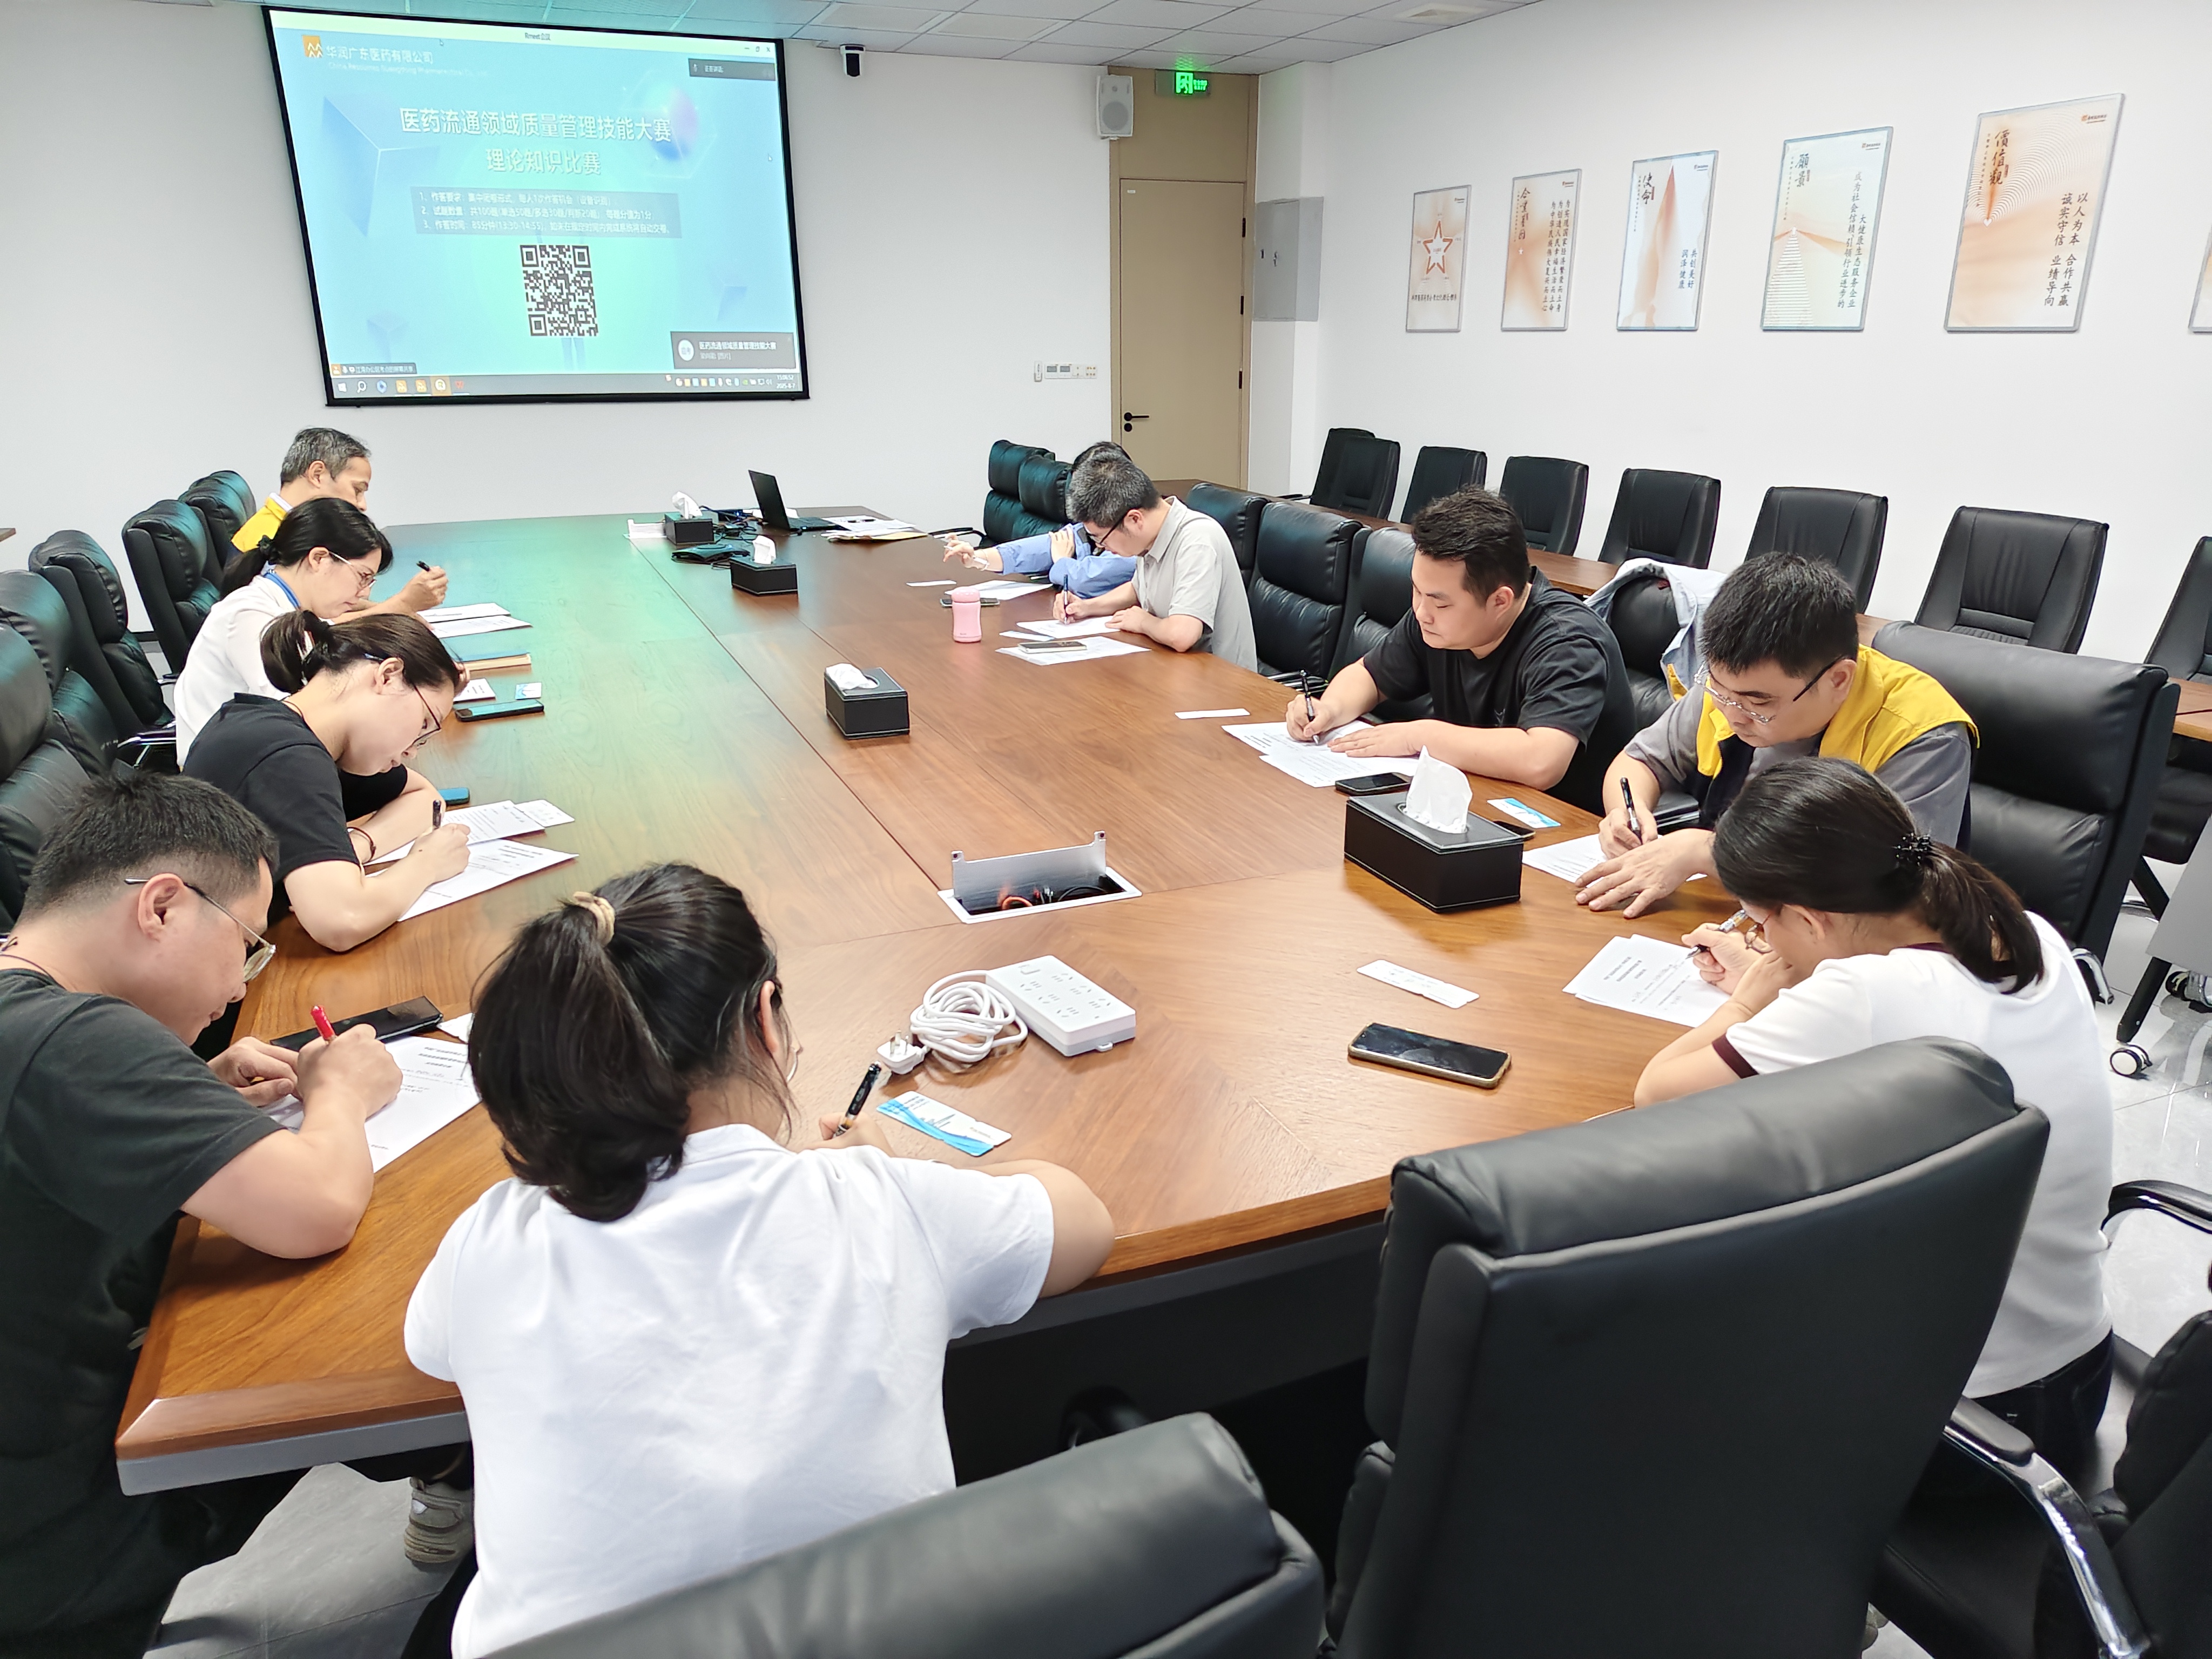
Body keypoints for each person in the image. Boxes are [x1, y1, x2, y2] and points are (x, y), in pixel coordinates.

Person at [403, 864, 1115, 1657]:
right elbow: (1083, 1219)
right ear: (765, 1022)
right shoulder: (877, 1205)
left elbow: (430, 1349)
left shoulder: (491, 1238)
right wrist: (901, 1174)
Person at [0, 772, 407, 1656]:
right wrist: (340, 1092)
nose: (238, 986)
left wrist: (192, 1093)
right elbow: (318, 1207)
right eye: (248, 944)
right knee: (366, 1341)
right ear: (162, 906)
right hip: (62, 1529)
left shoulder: (25, 1008)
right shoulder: (77, 1040)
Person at [1635, 758, 2113, 1475]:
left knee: (1658, 1311)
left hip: (1959, 1425)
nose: (1763, 943)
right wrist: (1792, 983)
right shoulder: (2029, 933)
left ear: (1809, 919)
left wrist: (1748, 1000)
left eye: (1761, 924)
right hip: (2073, 1373)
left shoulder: (1862, 994)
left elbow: (1657, 1094)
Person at [1580, 554, 1974, 918]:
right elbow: (1640, 762)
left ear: (1838, 680)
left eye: (1759, 703)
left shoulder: (1922, 733)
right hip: (1735, 910)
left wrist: (1704, 851)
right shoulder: (1731, 686)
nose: (1732, 714)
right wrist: (1625, 817)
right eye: (1719, 689)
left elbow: (1897, 882)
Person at [1283, 486, 1629, 802]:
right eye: (1416, 590)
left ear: (1500, 601)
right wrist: (1330, 709)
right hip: (1474, 800)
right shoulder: (1434, 619)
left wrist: (1419, 736)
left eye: (1440, 602)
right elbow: (1370, 675)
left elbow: (1541, 761)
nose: (1421, 612)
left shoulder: (1568, 641)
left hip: (1564, 825)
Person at [184, 611, 470, 955]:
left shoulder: (284, 730)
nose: (412, 751)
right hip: (222, 971)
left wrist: (359, 845)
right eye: (424, 724)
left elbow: (426, 798)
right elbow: (341, 921)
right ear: (388, 676)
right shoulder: (286, 757)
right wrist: (427, 863)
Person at [176, 498, 411, 760]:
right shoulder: (251, 616)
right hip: (224, 769)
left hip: (259, 753)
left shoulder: (291, 609)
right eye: (362, 577)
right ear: (319, 559)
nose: (364, 592)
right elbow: (294, 719)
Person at [1050, 451, 1258, 671]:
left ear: (1134, 519)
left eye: (1101, 538)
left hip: (1222, 680)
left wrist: (1142, 622)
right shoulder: (1151, 537)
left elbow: (1182, 634)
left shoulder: (1197, 540)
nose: (1101, 547)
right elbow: (1137, 589)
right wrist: (1086, 607)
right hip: (1173, 666)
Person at [228, 427, 445, 608]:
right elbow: (314, 626)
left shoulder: (292, 528)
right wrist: (402, 605)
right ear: (317, 475)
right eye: (357, 490)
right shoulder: (270, 539)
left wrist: (389, 608)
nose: (362, 505)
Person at [940, 441, 1139, 598]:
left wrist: (1061, 561)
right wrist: (977, 558)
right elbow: (1032, 551)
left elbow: (1082, 581)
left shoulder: (1131, 541)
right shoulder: (1086, 527)